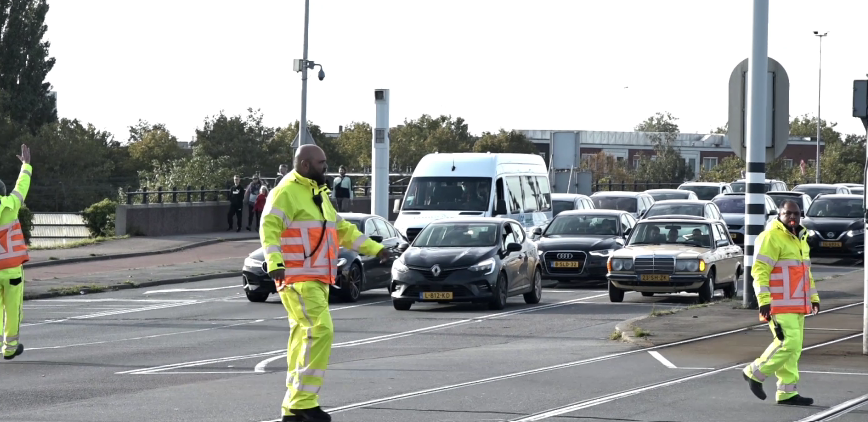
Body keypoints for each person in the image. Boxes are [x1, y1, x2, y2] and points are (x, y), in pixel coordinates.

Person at [260, 145, 392, 422]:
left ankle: (292, 409)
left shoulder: (317, 194)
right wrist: (275, 265)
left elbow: (342, 230)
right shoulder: (286, 192)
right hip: (298, 279)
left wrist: (375, 249)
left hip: (317, 278)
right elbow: (268, 229)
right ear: (305, 165)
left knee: (302, 340)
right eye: (321, 163)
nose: (326, 167)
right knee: (321, 331)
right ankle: (304, 403)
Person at [742, 199, 819, 406]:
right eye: (788, 214)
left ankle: (787, 392)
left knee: (794, 349)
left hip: (798, 304)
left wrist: (813, 298)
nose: (792, 217)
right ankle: (754, 372)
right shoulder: (770, 237)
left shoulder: (801, 239)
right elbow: (759, 271)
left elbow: (805, 274)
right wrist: (763, 301)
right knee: (788, 343)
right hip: (778, 304)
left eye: (796, 214)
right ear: (779, 215)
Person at [1, 144, 32, 360]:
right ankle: (10, 348)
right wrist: (26, 165)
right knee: (13, 310)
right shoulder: (11, 204)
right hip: (12, 270)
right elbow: (21, 187)